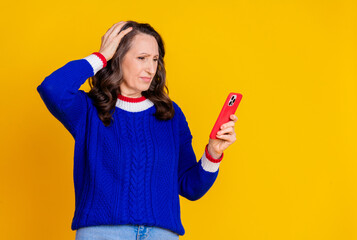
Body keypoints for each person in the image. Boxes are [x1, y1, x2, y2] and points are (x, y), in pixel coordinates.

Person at [36, 20, 238, 240]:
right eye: (141, 58)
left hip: (161, 235)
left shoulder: (171, 115)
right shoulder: (88, 110)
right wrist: (101, 56)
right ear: (117, 58)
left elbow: (191, 188)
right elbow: (52, 87)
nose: (151, 68)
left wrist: (213, 153)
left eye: (155, 59)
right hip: (102, 234)